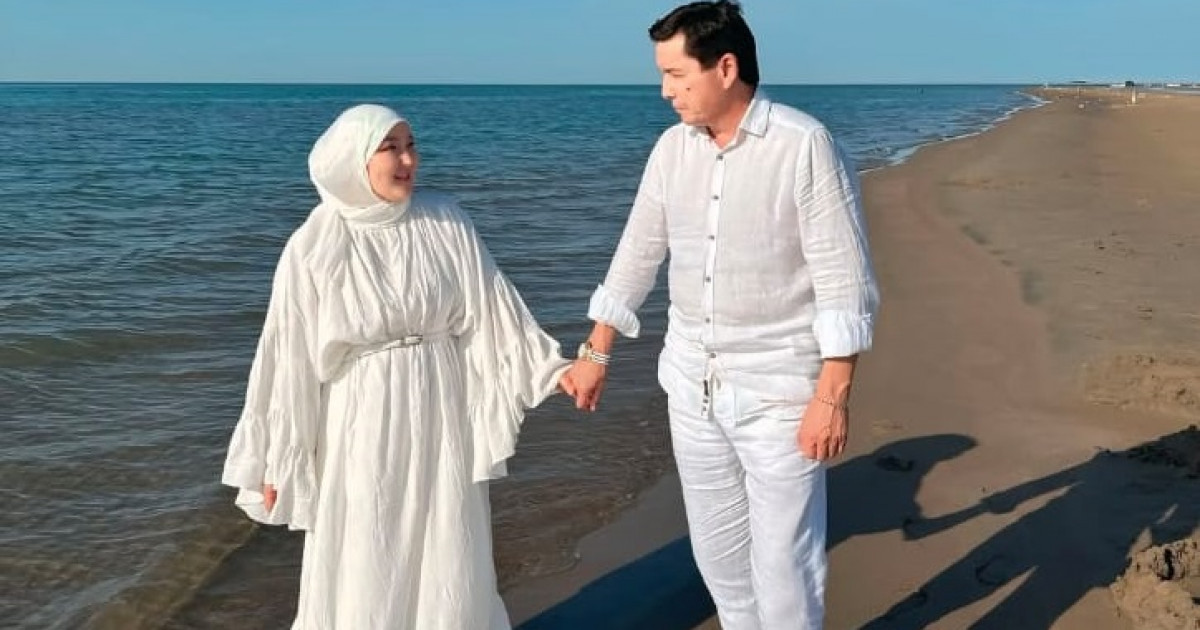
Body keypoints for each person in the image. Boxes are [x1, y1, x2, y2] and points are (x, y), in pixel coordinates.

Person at [565, 2, 879, 628]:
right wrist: (596, 351)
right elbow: (638, 250)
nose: (665, 91)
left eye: (676, 74)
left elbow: (844, 283)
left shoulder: (803, 145)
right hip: (691, 389)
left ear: (726, 68)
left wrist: (832, 397)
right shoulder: (671, 150)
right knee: (720, 558)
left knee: (785, 567)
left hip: (779, 393)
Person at [221, 104, 574, 629]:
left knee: (448, 539)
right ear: (354, 159)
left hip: (441, 405)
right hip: (361, 415)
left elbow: (492, 306)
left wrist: (554, 369)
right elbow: (287, 357)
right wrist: (278, 457)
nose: (408, 160)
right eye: (391, 148)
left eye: (411, 146)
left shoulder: (445, 219)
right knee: (369, 546)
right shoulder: (314, 244)